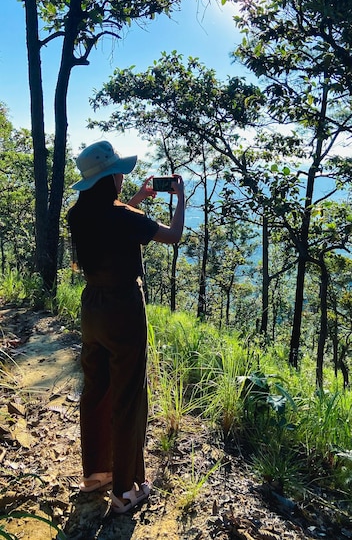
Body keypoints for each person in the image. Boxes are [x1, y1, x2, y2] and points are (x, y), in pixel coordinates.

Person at [67, 140, 184, 514]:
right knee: (129, 393)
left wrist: (135, 198)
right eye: (118, 171)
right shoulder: (120, 216)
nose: (122, 176)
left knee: (96, 388)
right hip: (123, 308)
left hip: (93, 307)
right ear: (110, 177)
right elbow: (173, 235)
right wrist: (180, 199)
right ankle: (126, 490)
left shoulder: (80, 214)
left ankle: (96, 475)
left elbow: (112, 222)